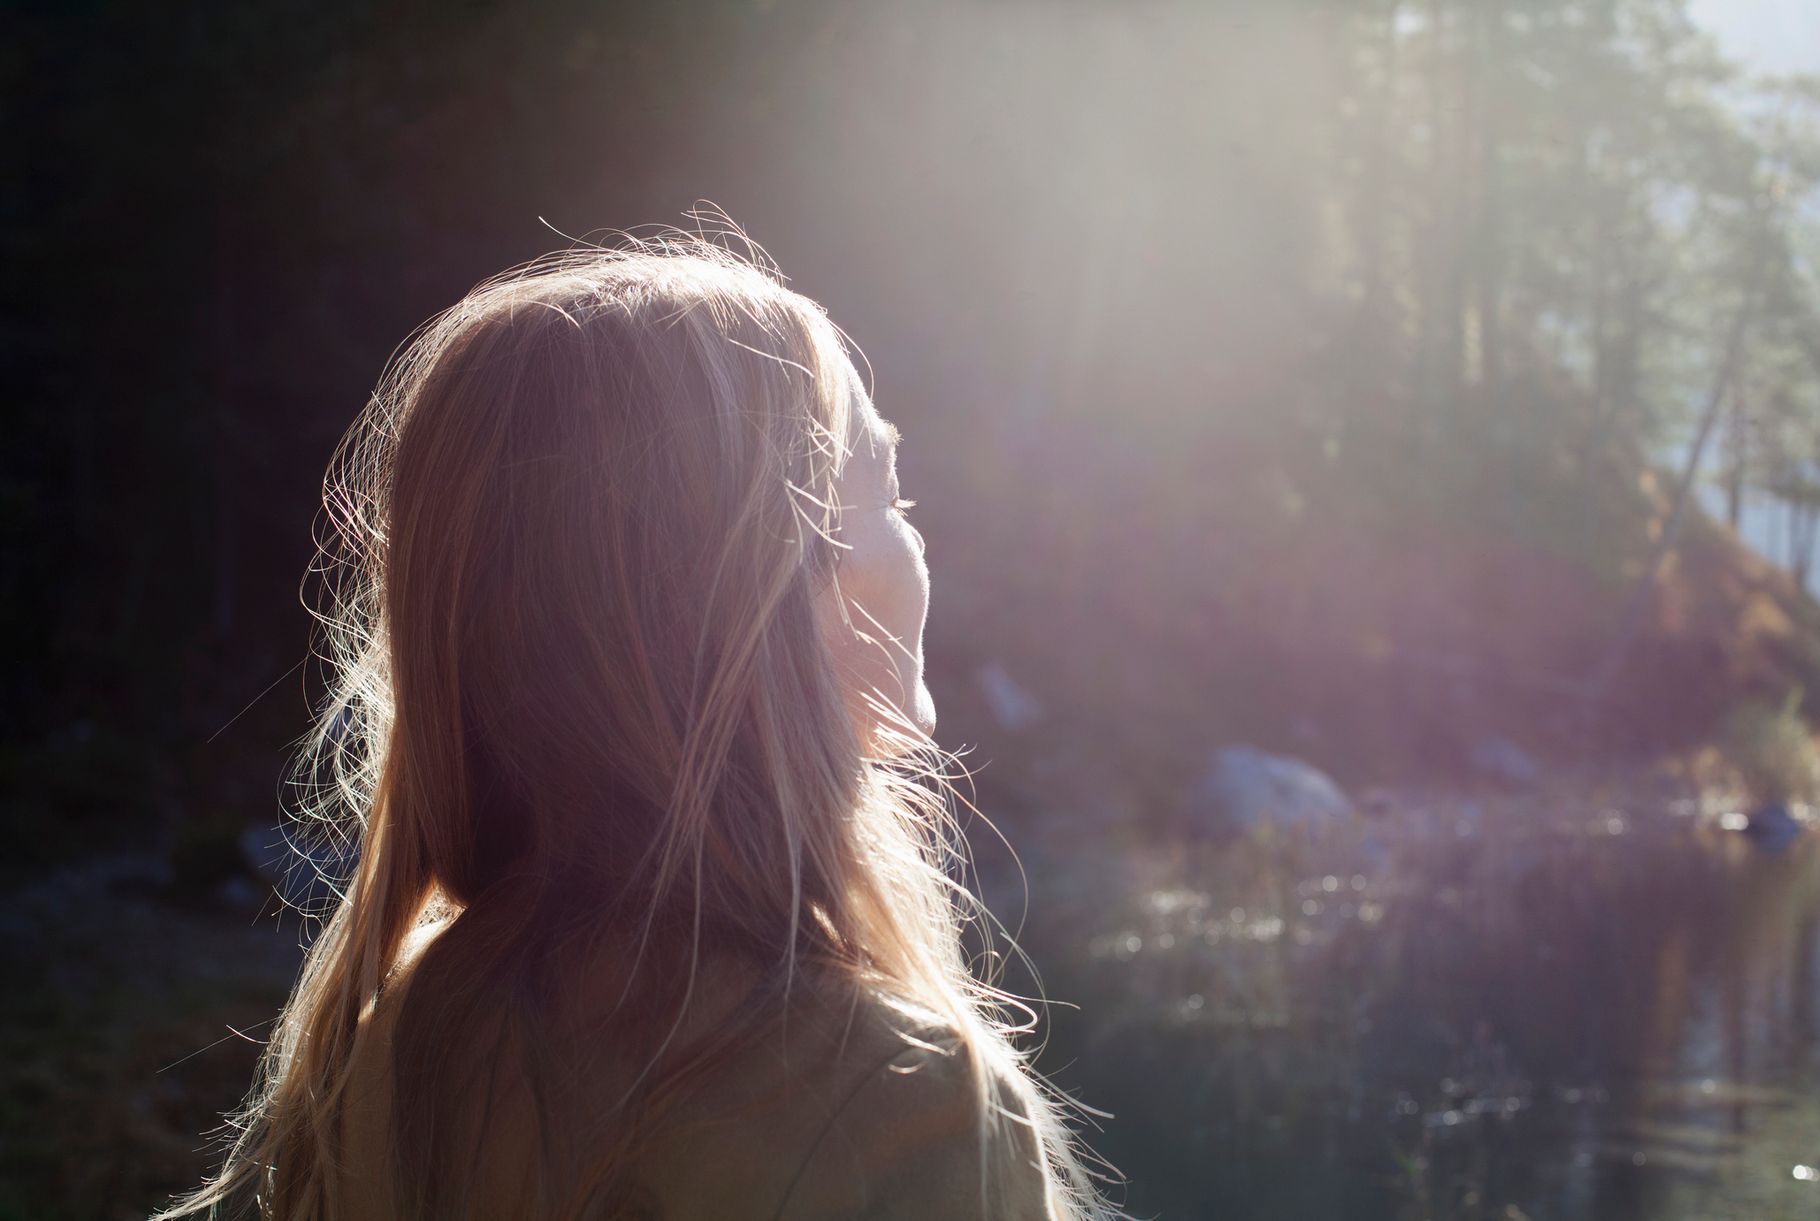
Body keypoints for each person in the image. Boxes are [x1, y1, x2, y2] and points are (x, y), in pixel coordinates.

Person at [159, 234, 1112, 1220]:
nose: (917, 540)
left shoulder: (390, 1042)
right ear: (785, 592)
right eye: (891, 495)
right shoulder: (899, 1097)